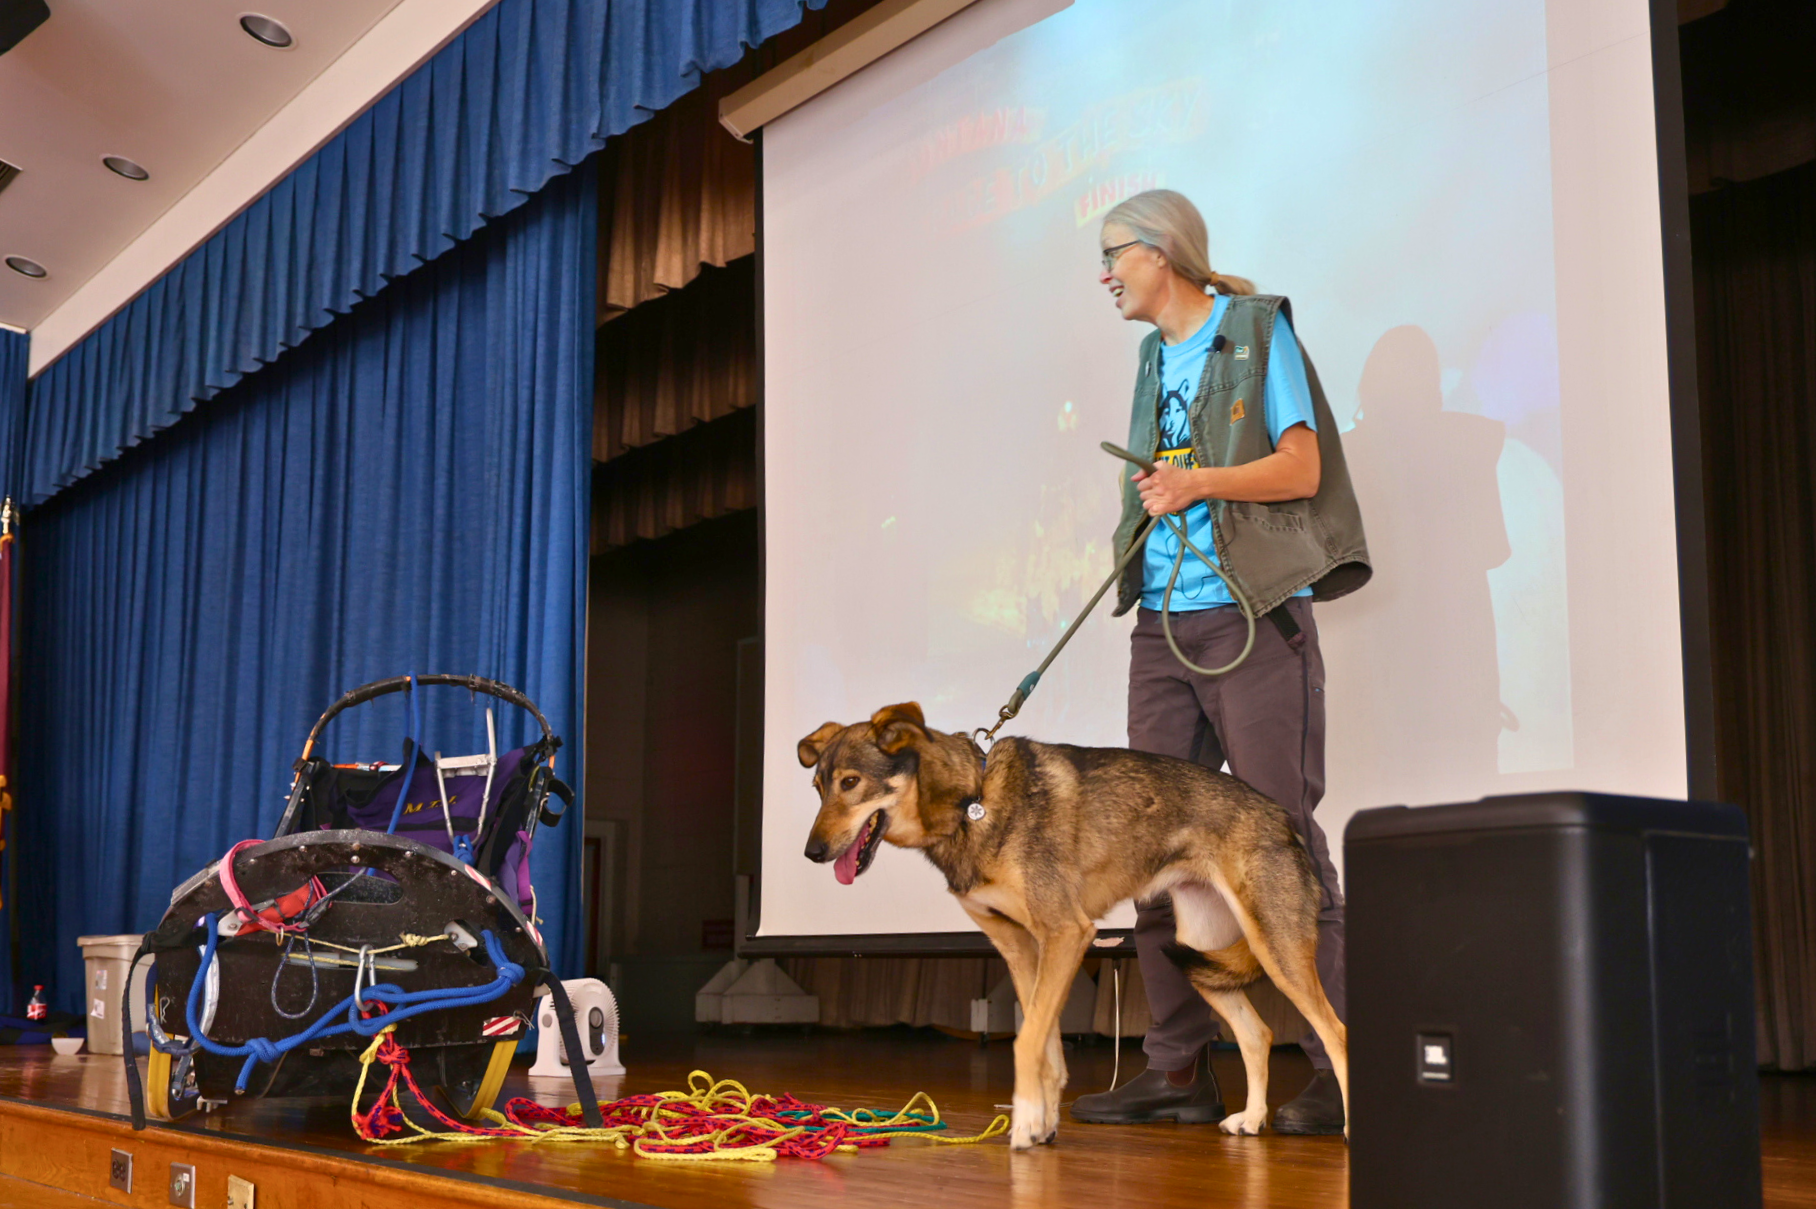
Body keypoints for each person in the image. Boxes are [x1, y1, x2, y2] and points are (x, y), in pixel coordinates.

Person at [1068, 190, 1370, 1135]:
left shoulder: (1254, 331)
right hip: (1161, 628)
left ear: (1164, 252)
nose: (1106, 275)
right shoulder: (1153, 358)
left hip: (1250, 620)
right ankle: (1176, 1068)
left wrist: (1198, 480)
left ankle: (1339, 1063)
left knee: (1278, 838)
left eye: (1115, 254)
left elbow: (1302, 468)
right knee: (1146, 849)